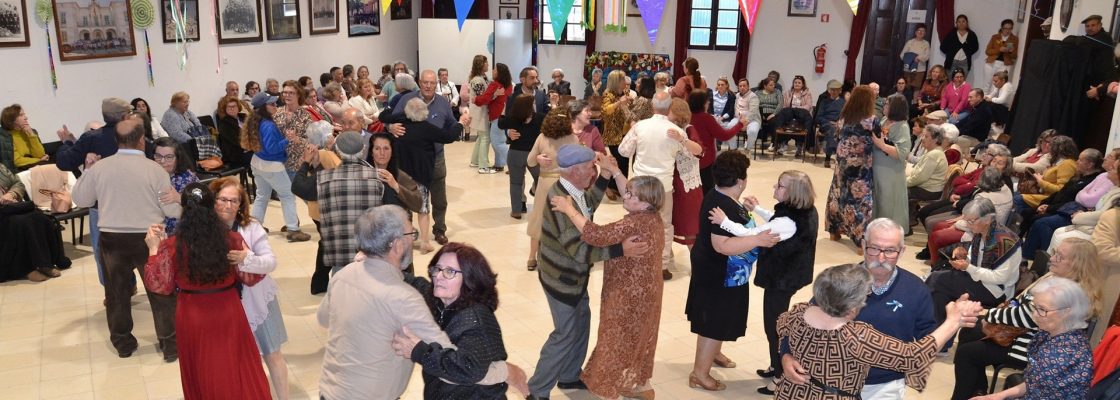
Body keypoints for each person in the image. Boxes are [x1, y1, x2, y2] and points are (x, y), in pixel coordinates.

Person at [317, 205, 519, 400]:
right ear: (396, 245)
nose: (439, 277)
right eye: (410, 235)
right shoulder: (404, 298)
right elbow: (453, 366)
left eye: (449, 272)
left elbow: (324, 318)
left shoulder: (344, 275)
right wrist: (504, 371)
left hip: (329, 391)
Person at [526, 145, 648, 400]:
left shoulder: (574, 191)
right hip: (561, 277)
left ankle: (570, 375)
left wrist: (605, 176)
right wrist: (619, 250)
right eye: (590, 168)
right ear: (573, 171)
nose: (593, 171)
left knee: (581, 323)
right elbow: (579, 251)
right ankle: (537, 390)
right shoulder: (558, 201)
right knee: (565, 332)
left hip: (575, 276)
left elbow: (588, 204)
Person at [774, 263, 982, 399]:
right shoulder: (856, 337)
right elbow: (913, 356)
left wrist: (786, 355)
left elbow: (781, 326)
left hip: (790, 393)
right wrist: (953, 321)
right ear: (852, 305)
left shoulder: (799, 312)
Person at [781, 218, 937, 399]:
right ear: (863, 245)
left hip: (884, 386)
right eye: (874, 248)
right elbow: (798, 325)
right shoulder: (840, 281)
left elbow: (926, 337)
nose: (881, 258)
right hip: (830, 382)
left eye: (890, 251)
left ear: (902, 251)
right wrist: (787, 355)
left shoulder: (916, 290)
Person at [141, 181, 270, 399]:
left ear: (184, 210)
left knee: (201, 367)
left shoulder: (172, 245)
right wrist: (246, 258)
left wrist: (154, 249)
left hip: (192, 314)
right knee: (234, 364)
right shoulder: (231, 239)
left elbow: (159, 285)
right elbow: (253, 277)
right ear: (212, 208)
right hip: (228, 310)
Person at [71, 117, 181, 360]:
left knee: (117, 294)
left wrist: (87, 170)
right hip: (150, 237)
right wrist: (181, 202)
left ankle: (123, 343)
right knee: (160, 292)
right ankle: (170, 344)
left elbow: (80, 200)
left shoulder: (100, 168)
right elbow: (172, 210)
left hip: (112, 239)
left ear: (116, 140)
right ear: (142, 140)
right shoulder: (155, 170)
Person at [548, 175, 664, 399]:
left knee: (616, 338)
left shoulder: (633, 222)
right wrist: (614, 171)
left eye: (631, 194)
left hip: (627, 293)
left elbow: (596, 235)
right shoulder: (653, 217)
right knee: (640, 336)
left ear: (645, 202)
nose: (625, 195)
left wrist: (568, 209)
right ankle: (641, 385)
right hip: (649, 290)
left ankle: (606, 390)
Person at [708, 170, 817, 394]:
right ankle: (775, 364)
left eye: (780, 186)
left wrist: (724, 221)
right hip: (790, 276)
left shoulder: (788, 220)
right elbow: (776, 222)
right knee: (776, 324)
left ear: (793, 193)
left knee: (774, 327)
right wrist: (756, 209)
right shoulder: (803, 211)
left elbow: (751, 235)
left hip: (781, 280)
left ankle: (780, 375)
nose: (774, 188)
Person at [951, 238, 1102, 399]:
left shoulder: (1067, 294)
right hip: (1030, 338)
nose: (1052, 258)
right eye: (1054, 253)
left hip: (1026, 342)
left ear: (1077, 264)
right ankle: (977, 390)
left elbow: (1028, 317)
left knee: (967, 354)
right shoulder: (1056, 280)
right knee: (969, 332)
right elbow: (1025, 307)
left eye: (1060, 256)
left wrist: (988, 314)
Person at [685, 150, 781, 392]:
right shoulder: (720, 204)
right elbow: (722, 246)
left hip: (727, 275)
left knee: (720, 319)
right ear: (740, 180)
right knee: (713, 322)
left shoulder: (723, 196)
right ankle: (700, 374)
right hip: (718, 275)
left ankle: (713, 352)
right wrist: (758, 240)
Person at [390, 242, 528, 399]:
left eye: (450, 271)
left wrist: (418, 351)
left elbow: (468, 369)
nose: (439, 276)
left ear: (470, 278)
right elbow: (416, 283)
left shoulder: (475, 318)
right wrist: (379, 263)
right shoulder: (440, 300)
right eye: (437, 269)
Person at [206, 177, 290, 399]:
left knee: (272, 354)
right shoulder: (204, 229)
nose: (228, 205)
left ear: (241, 204)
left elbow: (271, 263)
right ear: (213, 200)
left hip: (259, 301)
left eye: (234, 201)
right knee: (235, 359)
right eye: (223, 199)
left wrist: (246, 258)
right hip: (224, 306)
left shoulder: (251, 227)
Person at [619, 91, 703, 280]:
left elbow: (623, 151)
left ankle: (637, 260)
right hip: (663, 185)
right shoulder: (677, 132)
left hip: (640, 185)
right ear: (669, 108)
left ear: (652, 106)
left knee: (637, 223)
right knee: (664, 226)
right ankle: (662, 266)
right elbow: (696, 154)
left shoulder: (640, 126)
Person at [383, 69, 468, 246]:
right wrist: (390, 127)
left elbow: (451, 125)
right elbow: (388, 117)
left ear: (436, 84)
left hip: (435, 159)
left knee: (439, 197)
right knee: (406, 196)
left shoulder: (443, 103)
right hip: (407, 162)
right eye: (425, 82)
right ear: (419, 83)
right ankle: (408, 231)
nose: (428, 86)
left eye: (431, 83)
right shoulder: (407, 99)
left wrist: (460, 123)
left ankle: (439, 230)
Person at [974, 277, 1094, 399]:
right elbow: (1032, 383)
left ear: (1066, 312)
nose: (1035, 315)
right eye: (1034, 307)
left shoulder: (1063, 352)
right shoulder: (1050, 333)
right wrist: (996, 397)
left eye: (1042, 309)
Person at [926, 197, 1021, 336]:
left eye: (971, 221)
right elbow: (976, 259)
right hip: (981, 280)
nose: (968, 225)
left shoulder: (1006, 241)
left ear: (987, 219)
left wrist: (967, 267)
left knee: (937, 280)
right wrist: (964, 256)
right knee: (940, 290)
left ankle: (931, 329)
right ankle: (939, 335)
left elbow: (999, 278)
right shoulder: (982, 232)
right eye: (967, 220)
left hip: (996, 291)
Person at [318, 130, 400, 274]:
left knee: (342, 290)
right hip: (371, 252)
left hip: (339, 252)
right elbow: (393, 211)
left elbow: (299, 187)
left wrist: (307, 163)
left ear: (337, 150)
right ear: (364, 149)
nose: (381, 153)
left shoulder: (324, 178)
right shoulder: (378, 178)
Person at [241, 92, 311, 242]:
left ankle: (256, 227)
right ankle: (293, 229)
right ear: (263, 107)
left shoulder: (255, 121)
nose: (275, 106)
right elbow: (272, 149)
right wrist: (287, 139)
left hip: (257, 163)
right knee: (287, 195)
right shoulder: (268, 125)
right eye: (271, 104)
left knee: (261, 196)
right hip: (271, 165)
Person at [1020, 148, 1110, 256]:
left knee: (1040, 222)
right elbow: (1061, 192)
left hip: (1069, 212)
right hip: (1057, 206)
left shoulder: (1093, 179)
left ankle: (1042, 257)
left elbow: (1082, 199)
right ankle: (1024, 248)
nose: (1077, 162)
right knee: (1027, 212)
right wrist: (1044, 203)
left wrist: (1049, 208)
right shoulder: (1078, 176)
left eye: (1080, 160)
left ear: (1089, 164)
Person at [525, 105, 582, 271]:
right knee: (565, 221)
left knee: (538, 220)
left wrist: (537, 157)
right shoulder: (573, 139)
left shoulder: (542, 137)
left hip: (545, 184)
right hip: (565, 185)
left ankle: (531, 258)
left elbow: (529, 161)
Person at [826, 85, 878, 250]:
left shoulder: (844, 117)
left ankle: (835, 231)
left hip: (842, 163)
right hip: (860, 166)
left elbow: (836, 135)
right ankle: (859, 240)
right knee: (860, 200)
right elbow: (880, 139)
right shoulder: (871, 120)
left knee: (838, 193)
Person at [0, 163, 70, 281]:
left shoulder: (1, 167)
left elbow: (18, 183)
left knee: (39, 218)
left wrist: (11, 194)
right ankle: (26, 269)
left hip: (10, 206)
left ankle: (45, 264)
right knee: (20, 223)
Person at [1044, 149, 1120, 251]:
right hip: (1088, 219)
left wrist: (1079, 216)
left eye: (1114, 168)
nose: (1110, 168)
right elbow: (1080, 195)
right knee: (1058, 231)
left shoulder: (1116, 194)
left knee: (1059, 235)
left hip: (1098, 230)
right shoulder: (1108, 182)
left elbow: (1099, 212)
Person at [498, 94, 545, 219]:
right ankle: (539, 203)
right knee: (541, 179)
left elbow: (500, 123)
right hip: (534, 155)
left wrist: (503, 110)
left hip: (515, 154)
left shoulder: (513, 118)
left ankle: (516, 211)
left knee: (515, 183)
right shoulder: (540, 118)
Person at [666, 98, 705, 249]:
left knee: (690, 226)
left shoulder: (689, 129)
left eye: (667, 111)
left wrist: (681, 139)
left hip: (685, 184)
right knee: (666, 223)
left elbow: (699, 151)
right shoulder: (663, 128)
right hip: (668, 182)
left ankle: (695, 264)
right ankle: (665, 262)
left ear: (677, 113)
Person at [873, 94, 914, 230]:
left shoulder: (902, 127)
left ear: (895, 108)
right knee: (879, 200)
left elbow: (902, 153)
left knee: (888, 202)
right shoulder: (885, 119)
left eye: (887, 104)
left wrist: (882, 145)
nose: (884, 106)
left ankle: (888, 231)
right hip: (879, 167)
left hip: (890, 172)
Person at [689, 89, 743, 193]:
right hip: (705, 160)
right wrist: (739, 125)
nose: (709, 102)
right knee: (707, 191)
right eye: (707, 101)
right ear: (704, 103)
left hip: (690, 160)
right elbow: (724, 136)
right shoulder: (707, 118)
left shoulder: (687, 116)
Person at [1018, 135, 1080, 210]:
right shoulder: (1058, 161)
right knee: (1015, 195)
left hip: (1049, 198)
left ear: (1058, 148)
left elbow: (1061, 190)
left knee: (1017, 199)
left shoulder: (1067, 164)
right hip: (1044, 193)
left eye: (1051, 144)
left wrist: (1040, 181)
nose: (1047, 145)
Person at [152, 137, 198, 234]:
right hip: (152, 230)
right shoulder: (148, 175)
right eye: (158, 156)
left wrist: (180, 198)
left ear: (178, 158)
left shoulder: (189, 178)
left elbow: (203, 206)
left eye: (169, 157)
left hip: (180, 233)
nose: (162, 161)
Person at [601, 70, 633, 199]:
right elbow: (606, 111)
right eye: (622, 80)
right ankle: (611, 186)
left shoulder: (625, 92)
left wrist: (630, 102)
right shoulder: (607, 94)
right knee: (618, 162)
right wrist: (620, 102)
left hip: (625, 133)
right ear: (616, 82)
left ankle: (622, 187)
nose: (625, 82)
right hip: (613, 134)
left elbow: (629, 110)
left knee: (625, 162)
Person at [769, 75, 814, 155]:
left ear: (803, 84)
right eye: (795, 82)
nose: (797, 84)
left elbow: (809, 105)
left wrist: (799, 108)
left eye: (799, 83)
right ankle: (777, 143)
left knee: (809, 118)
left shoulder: (807, 93)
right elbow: (784, 105)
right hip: (790, 111)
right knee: (781, 115)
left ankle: (804, 145)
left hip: (801, 111)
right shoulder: (788, 92)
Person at [906, 123, 948, 203]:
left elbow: (920, 178)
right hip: (926, 188)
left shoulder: (934, 154)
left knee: (896, 189)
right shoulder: (932, 151)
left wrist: (903, 182)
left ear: (935, 140)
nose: (922, 139)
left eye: (926, 136)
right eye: (923, 135)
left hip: (929, 191)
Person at [0, 104, 48, 170]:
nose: (26, 117)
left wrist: (31, 136)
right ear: (11, 120)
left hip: (35, 167)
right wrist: (39, 160)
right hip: (19, 171)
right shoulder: (4, 137)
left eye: (24, 114)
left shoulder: (29, 131)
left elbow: (40, 155)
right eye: (21, 115)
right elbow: (17, 161)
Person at [466, 55, 493, 170]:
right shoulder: (477, 80)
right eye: (486, 63)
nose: (488, 65)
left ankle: (475, 161)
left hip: (482, 112)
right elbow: (482, 98)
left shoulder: (483, 77)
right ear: (481, 64)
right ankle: (483, 166)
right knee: (485, 137)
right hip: (479, 112)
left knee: (481, 137)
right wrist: (495, 95)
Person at [813, 79, 845, 167]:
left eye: (836, 90)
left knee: (835, 130)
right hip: (825, 124)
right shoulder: (824, 102)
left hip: (839, 125)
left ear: (840, 91)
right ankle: (831, 156)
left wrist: (839, 122)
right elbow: (818, 117)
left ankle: (829, 156)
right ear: (829, 90)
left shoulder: (843, 102)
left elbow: (845, 116)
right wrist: (828, 122)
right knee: (832, 129)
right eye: (832, 90)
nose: (834, 92)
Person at [215, 95, 250, 169]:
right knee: (260, 157)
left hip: (248, 149)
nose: (232, 109)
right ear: (225, 109)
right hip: (235, 155)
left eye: (234, 106)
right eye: (229, 107)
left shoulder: (243, 117)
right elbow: (237, 141)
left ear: (238, 107)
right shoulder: (224, 123)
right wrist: (252, 146)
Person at [734, 78, 762, 150]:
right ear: (738, 87)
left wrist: (745, 123)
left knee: (752, 131)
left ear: (748, 86)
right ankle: (733, 148)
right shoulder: (736, 96)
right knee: (729, 127)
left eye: (744, 85)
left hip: (752, 120)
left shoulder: (753, 96)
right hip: (738, 119)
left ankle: (748, 148)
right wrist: (740, 120)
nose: (742, 87)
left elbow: (753, 112)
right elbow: (736, 109)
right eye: (740, 86)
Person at [901, 24, 931, 91]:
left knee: (917, 88)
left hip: (920, 69)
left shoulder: (926, 43)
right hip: (908, 68)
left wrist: (918, 58)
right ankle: (906, 100)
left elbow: (927, 56)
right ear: (915, 32)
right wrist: (910, 58)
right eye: (919, 30)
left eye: (923, 31)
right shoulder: (910, 42)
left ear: (925, 33)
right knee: (906, 87)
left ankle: (914, 101)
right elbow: (902, 55)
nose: (920, 32)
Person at [756, 77, 782, 150]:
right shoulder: (758, 93)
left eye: (774, 85)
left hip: (773, 113)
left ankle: (774, 144)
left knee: (774, 123)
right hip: (760, 112)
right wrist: (760, 114)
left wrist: (773, 114)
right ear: (765, 86)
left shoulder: (777, 92)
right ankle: (750, 141)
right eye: (771, 85)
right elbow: (754, 104)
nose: (773, 86)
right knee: (755, 122)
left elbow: (780, 104)